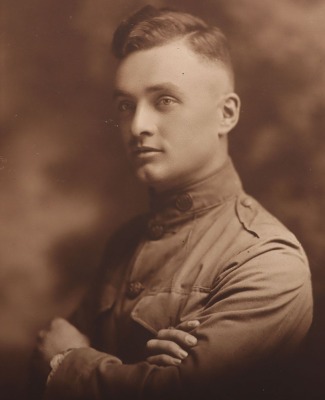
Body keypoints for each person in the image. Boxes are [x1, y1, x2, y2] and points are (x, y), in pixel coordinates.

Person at [36, 5, 313, 400]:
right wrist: (136, 374)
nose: (137, 126)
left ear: (226, 114)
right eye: (125, 105)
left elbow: (174, 392)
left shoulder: (267, 261)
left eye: (163, 100)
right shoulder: (125, 241)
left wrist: (65, 363)